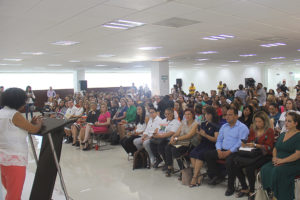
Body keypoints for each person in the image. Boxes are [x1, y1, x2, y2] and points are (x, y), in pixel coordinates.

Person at [0, 88, 43, 200]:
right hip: (15, 159)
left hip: (4, 158)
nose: (24, 104)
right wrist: (39, 123)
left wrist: (30, 124)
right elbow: (33, 130)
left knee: (10, 190)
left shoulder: (2, 113)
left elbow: (15, 128)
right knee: (14, 194)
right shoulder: (14, 114)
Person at [226, 111, 274, 198]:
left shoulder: (269, 131)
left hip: (265, 155)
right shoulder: (253, 130)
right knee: (235, 164)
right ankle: (244, 187)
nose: (257, 123)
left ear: (265, 121)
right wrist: (245, 144)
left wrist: (256, 145)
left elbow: (269, 147)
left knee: (249, 168)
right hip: (253, 154)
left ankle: (252, 190)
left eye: (260, 121)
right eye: (256, 121)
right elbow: (249, 141)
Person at [204, 107, 249, 186]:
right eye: (226, 115)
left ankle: (230, 186)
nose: (227, 117)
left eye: (230, 115)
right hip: (222, 150)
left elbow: (240, 143)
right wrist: (218, 150)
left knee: (229, 162)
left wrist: (229, 152)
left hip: (235, 152)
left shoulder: (242, 127)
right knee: (207, 154)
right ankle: (217, 175)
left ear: (236, 116)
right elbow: (219, 140)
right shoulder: (224, 126)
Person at [261, 112, 300, 200]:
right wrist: (274, 158)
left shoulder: (299, 136)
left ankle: (279, 196)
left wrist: (282, 161)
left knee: (278, 171)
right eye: (285, 121)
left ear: (296, 123)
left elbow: (298, 154)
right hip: (278, 160)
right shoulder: (282, 134)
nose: (286, 123)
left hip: (293, 163)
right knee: (265, 169)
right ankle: (271, 192)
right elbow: (275, 149)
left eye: (289, 121)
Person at [189, 106, 220, 187]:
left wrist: (205, 135)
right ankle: (199, 175)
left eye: (207, 114)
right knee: (192, 153)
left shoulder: (216, 125)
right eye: (205, 114)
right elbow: (200, 138)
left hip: (211, 145)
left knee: (199, 155)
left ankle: (194, 177)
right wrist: (199, 134)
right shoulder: (203, 124)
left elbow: (216, 139)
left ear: (212, 114)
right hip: (203, 143)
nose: (206, 115)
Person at [165, 108, 198, 177]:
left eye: (189, 114)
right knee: (168, 146)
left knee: (174, 150)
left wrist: (176, 139)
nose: (187, 116)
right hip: (181, 141)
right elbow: (177, 132)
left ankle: (182, 169)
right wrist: (173, 137)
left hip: (190, 143)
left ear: (193, 115)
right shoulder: (183, 122)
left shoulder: (195, 124)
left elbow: (189, 136)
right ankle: (170, 167)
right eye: (185, 114)